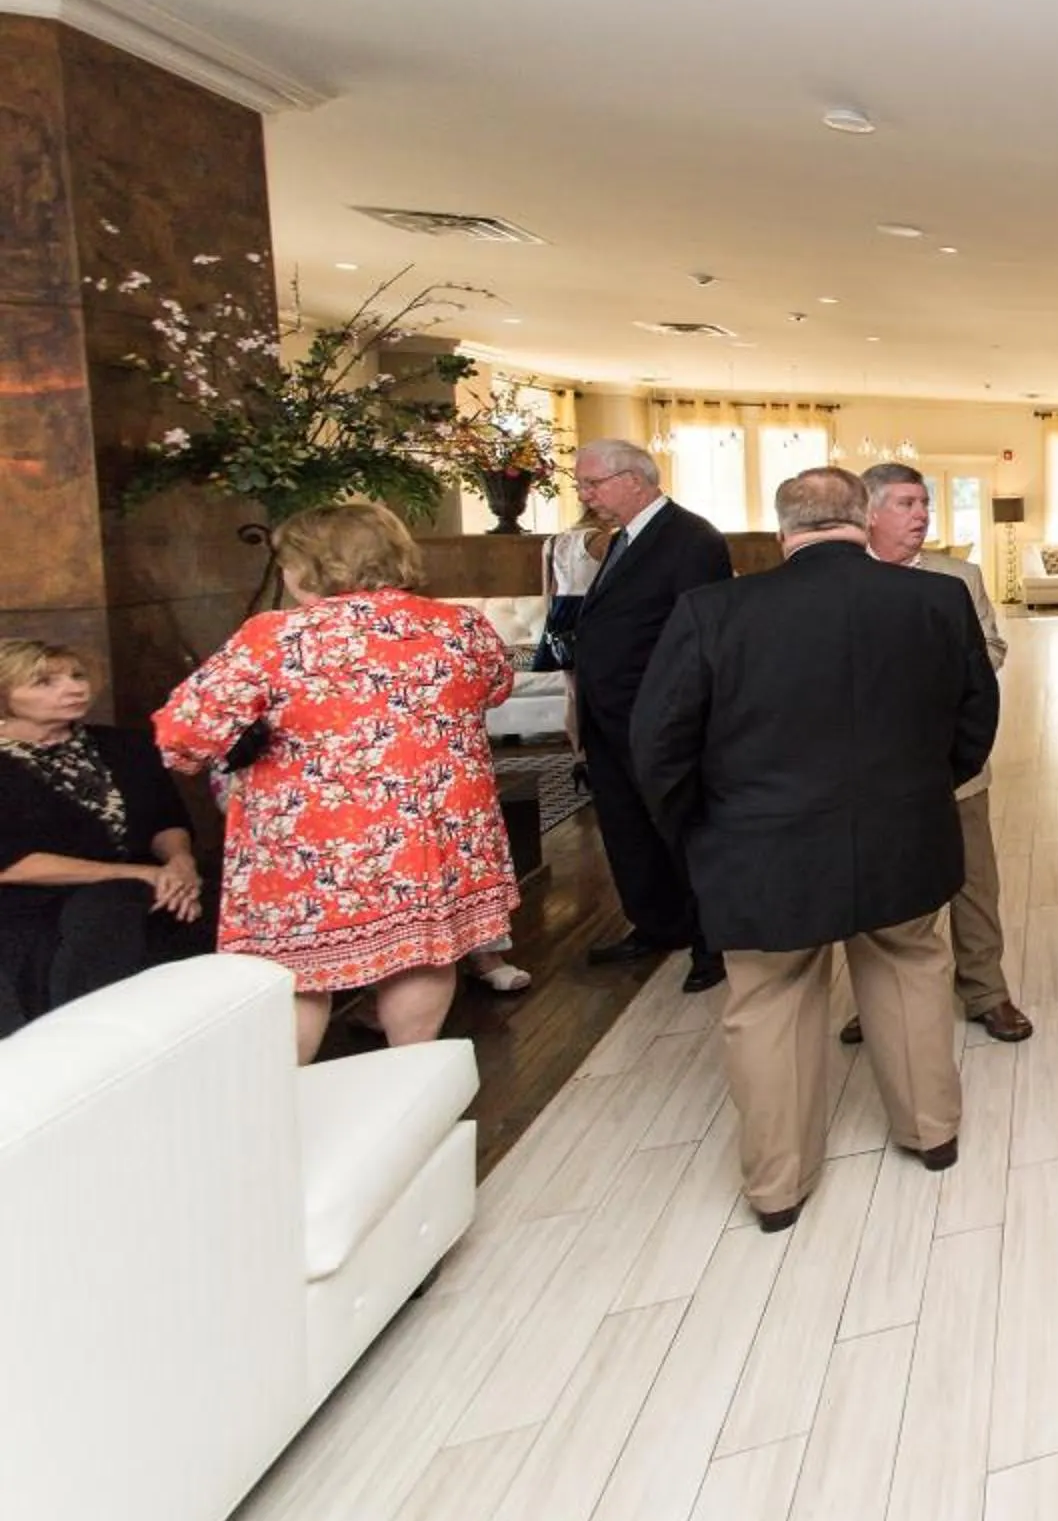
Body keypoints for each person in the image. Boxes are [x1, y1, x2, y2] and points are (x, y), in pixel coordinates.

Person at [631, 468, 1000, 1232]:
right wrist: (926, 790)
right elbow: (975, 717)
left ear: (783, 532)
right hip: (903, 834)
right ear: (862, 520)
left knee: (771, 1001)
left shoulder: (714, 612)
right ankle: (931, 1131)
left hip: (762, 848)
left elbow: (658, 745)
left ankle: (779, 1186)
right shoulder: (935, 602)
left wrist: (701, 828)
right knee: (909, 971)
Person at [154, 503, 519, 1061]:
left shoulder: (275, 637)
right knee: (420, 952)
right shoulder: (460, 626)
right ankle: (409, 1077)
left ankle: (289, 1098)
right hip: (435, 831)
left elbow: (183, 736)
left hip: (315, 845)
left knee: (299, 970)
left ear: (309, 566)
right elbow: (495, 688)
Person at [856, 463, 1029, 1044]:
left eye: (924, 503)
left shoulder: (960, 576)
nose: (921, 514)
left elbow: (993, 647)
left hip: (954, 763)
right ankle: (880, 999)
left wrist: (943, 677)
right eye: (906, 504)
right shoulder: (846, 578)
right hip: (872, 771)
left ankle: (986, 990)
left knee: (974, 880)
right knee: (885, 884)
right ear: (869, 513)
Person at [567, 438, 734, 993]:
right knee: (628, 830)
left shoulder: (692, 539)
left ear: (635, 480)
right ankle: (658, 924)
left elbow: (699, 637)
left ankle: (712, 942)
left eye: (593, 483)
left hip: (657, 718)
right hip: (608, 715)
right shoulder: (624, 538)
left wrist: (678, 718)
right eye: (582, 484)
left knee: (680, 831)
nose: (585, 494)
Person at [0, 641, 199, 1034]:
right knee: (107, 911)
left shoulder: (125, 745)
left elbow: (166, 821)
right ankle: (88, 1040)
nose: (74, 688)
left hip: (149, 888)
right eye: (45, 682)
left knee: (203, 908)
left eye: (77, 676)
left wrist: (180, 863)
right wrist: (141, 874)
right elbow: (10, 865)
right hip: (35, 903)